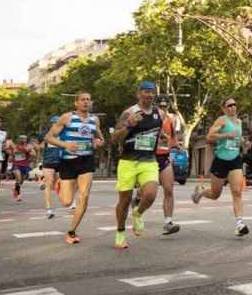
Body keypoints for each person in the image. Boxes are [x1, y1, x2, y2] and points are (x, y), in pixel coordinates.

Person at [111, 81, 166, 250]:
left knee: (150, 194)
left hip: (148, 161)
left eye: (152, 92)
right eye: (146, 92)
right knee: (125, 200)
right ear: (138, 94)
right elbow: (114, 139)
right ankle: (120, 233)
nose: (149, 95)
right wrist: (129, 125)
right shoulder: (129, 112)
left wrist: (164, 139)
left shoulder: (160, 114)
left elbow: (158, 133)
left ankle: (138, 213)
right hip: (128, 161)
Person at [45, 92, 104, 244]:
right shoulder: (67, 117)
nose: (86, 102)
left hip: (86, 160)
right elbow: (49, 137)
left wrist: (98, 142)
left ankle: (71, 232)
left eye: (88, 100)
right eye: (83, 100)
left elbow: (100, 138)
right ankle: (60, 185)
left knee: (84, 196)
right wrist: (65, 145)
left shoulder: (94, 119)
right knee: (66, 201)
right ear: (76, 103)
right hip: (68, 161)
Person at [192, 97, 249, 236]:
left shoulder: (239, 122)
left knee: (237, 192)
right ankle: (200, 192)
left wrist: (243, 143)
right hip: (221, 160)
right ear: (224, 108)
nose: (233, 107)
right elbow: (209, 137)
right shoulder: (222, 120)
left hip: (235, 159)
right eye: (229, 105)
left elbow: (237, 138)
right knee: (215, 194)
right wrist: (226, 135)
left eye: (234, 104)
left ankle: (239, 224)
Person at [155, 97, 181, 235]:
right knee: (149, 192)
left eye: (165, 107)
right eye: (160, 107)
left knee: (169, 190)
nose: (163, 109)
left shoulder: (171, 120)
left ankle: (168, 222)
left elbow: (173, 138)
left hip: (164, 158)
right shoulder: (150, 119)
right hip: (150, 159)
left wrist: (177, 145)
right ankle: (138, 198)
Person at [40, 116, 63, 219]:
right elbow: (40, 146)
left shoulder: (64, 135)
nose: (57, 125)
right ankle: (49, 209)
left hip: (61, 162)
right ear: (52, 124)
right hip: (48, 162)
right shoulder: (46, 135)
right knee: (49, 184)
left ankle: (56, 186)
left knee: (59, 183)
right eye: (55, 123)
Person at [9, 135, 32, 202]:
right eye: (21, 139)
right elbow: (12, 155)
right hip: (16, 164)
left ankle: (15, 188)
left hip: (24, 165)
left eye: (24, 139)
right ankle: (18, 195)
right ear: (18, 139)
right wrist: (12, 155)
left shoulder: (29, 146)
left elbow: (32, 152)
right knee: (18, 178)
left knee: (21, 181)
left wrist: (29, 153)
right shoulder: (15, 146)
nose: (23, 140)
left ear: (26, 140)